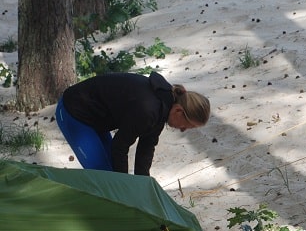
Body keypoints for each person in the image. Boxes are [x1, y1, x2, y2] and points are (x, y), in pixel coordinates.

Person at [56, 72, 210, 176]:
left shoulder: (163, 104)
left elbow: (146, 147)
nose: (183, 130)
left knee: (112, 174)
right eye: (186, 126)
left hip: (97, 117)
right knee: (106, 177)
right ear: (178, 111)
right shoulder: (149, 110)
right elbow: (120, 147)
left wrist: (142, 184)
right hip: (74, 111)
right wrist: (127, 186)